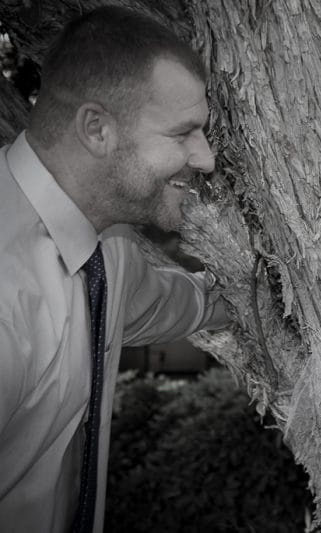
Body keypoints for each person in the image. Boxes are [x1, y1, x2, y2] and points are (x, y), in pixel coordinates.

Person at [0, 7, 230, 532]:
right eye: (183, 133)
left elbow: (171, 305)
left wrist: (254, 294)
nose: (206, 157)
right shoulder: (6, 301)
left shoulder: (109, 243)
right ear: (97, 129)